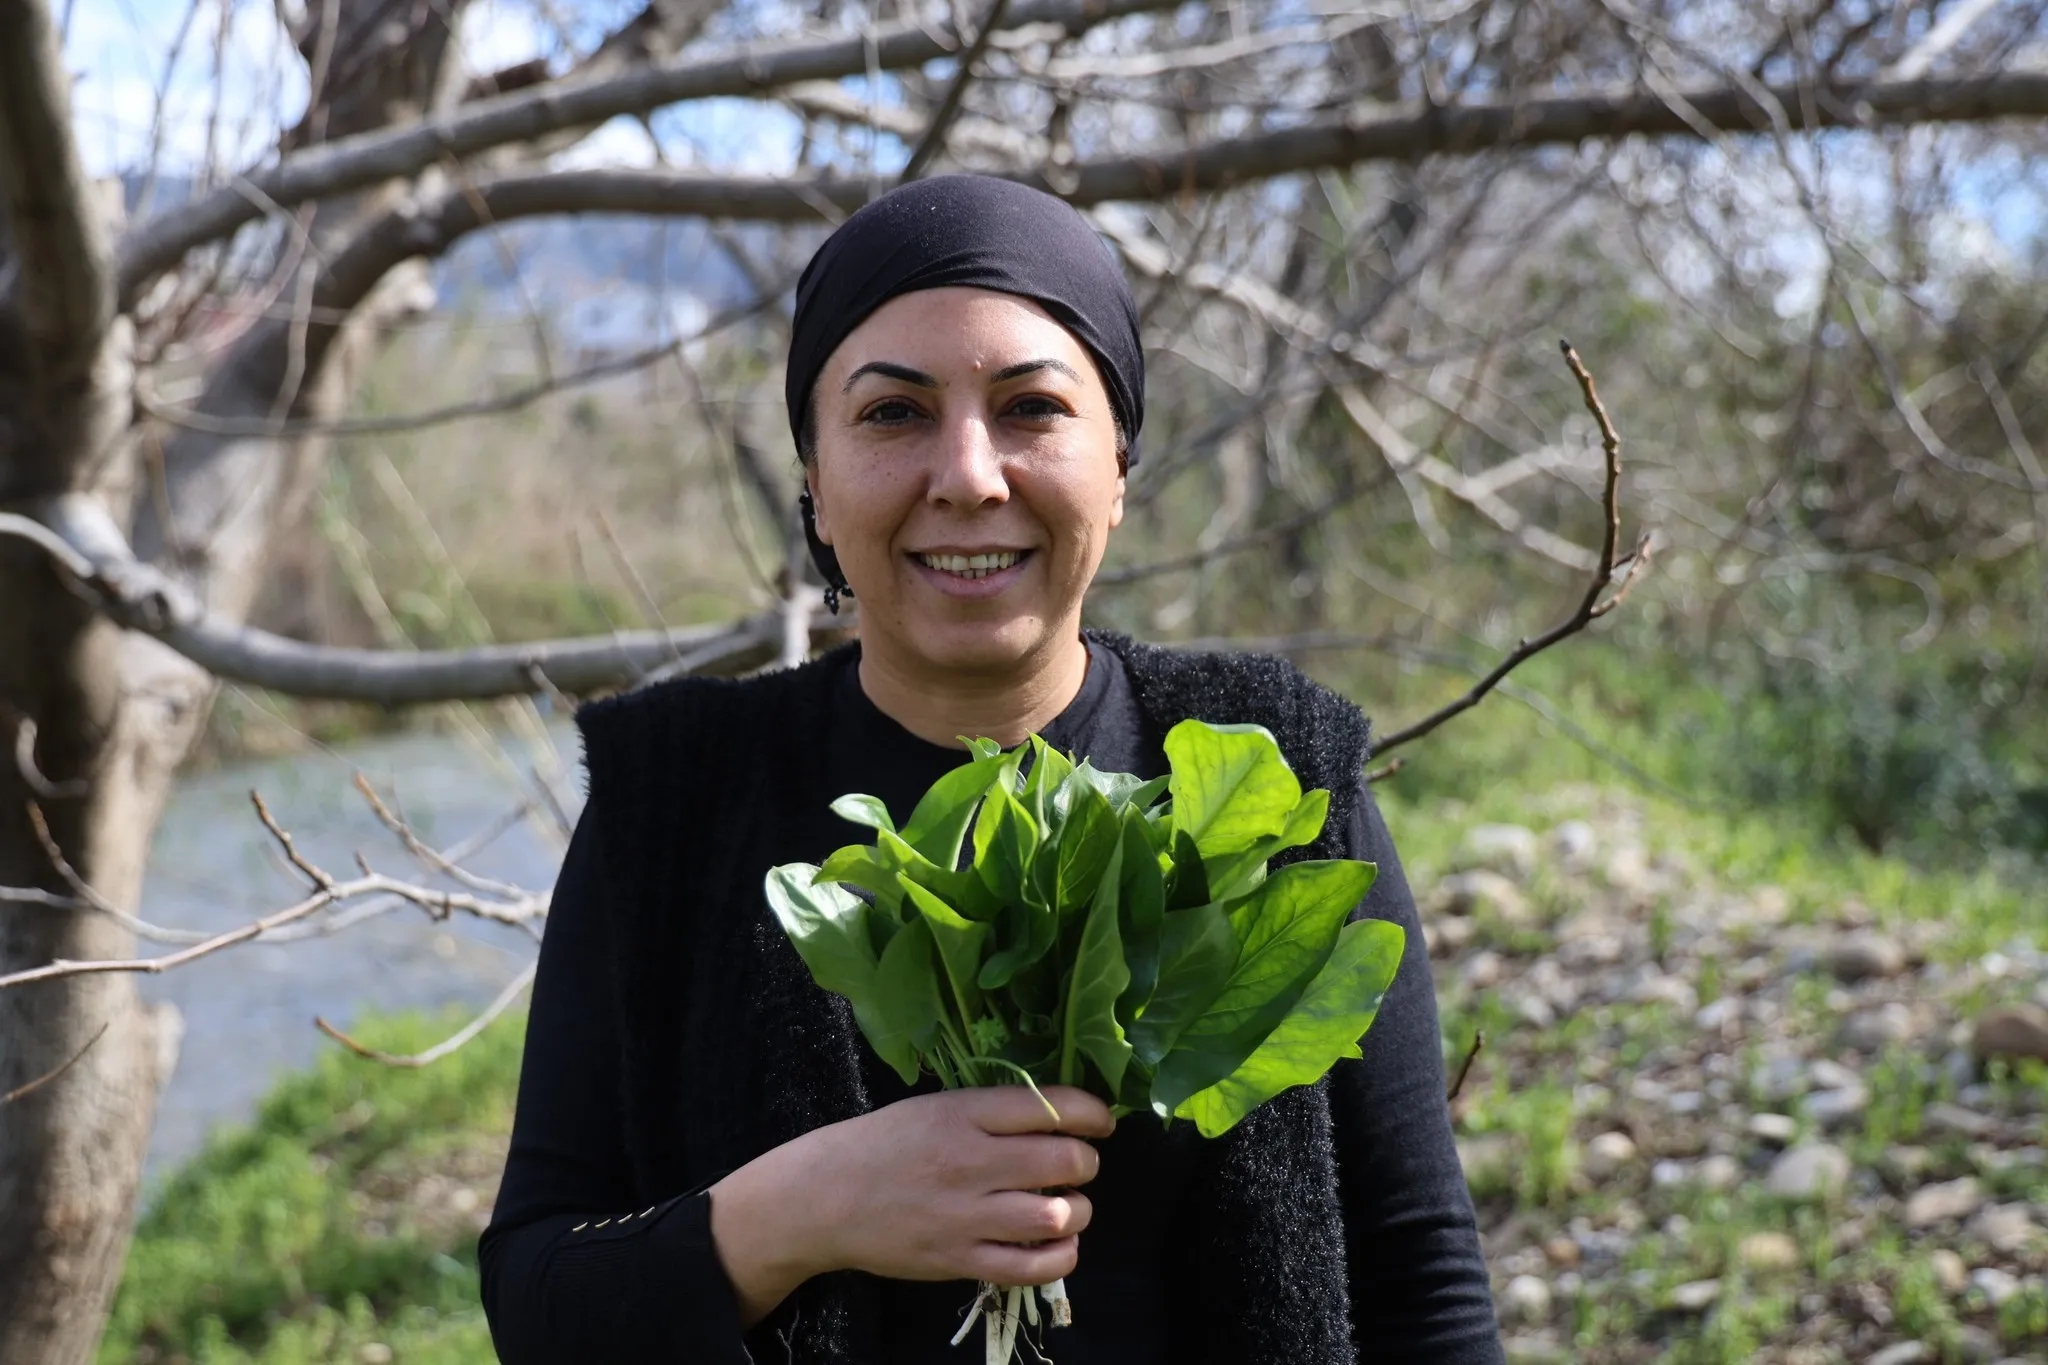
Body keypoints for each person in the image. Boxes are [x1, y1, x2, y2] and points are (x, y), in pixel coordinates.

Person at [479, 174, 1503, 1364]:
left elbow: (1421, 1280)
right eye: (892, 414)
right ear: (812, 478)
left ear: (1117, 466)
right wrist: (793, 1215)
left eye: (1029, 408)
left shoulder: (1274, 773)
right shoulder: (675, 799)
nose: (967, 474)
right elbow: (535, 1304)